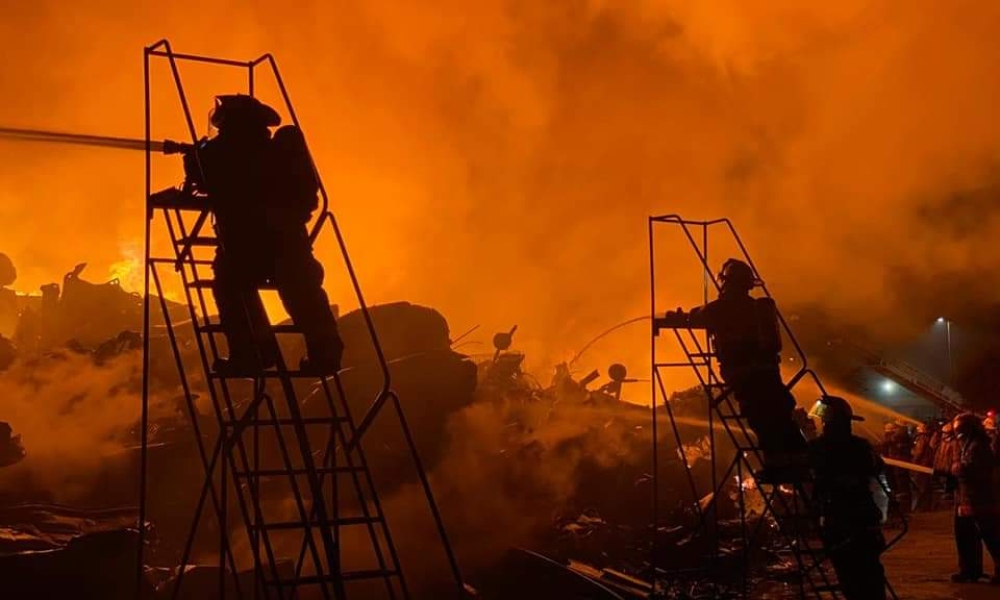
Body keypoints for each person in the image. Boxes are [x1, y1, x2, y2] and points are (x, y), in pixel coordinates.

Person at [169, 95, 342, 375]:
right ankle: (327, 354)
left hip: (246, 248)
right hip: (291, 245)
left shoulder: (222, 153)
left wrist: (195, 152)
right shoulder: (278, 151)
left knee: (229, 285)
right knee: (302, 292)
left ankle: (251, 354)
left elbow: (203, 177)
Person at [655, 258, 805, 479]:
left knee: (760, 418)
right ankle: (798, 463)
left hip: (743, 374)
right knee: (780, 414)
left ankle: (779, 467)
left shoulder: (718, 309)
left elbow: (694, 317)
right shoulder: (758, 307)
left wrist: (673, 317)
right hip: (769, 372)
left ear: (725, 282)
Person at [807, 395, 887, 600]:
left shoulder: (819, 447)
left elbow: (808, 467)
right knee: (869, 571)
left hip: (839, 516)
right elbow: (877, 467)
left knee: (849, 573)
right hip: (863, 515)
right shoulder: (860, 445)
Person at [949, 412, 1000, 584]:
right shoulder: (967, 443)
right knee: (965, 536)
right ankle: (969, 571)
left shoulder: (979, 445)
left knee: (991, 535)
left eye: (960, 427)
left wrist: (959, 468)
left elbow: (978, 470)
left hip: (979, 499)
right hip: (965, 498)